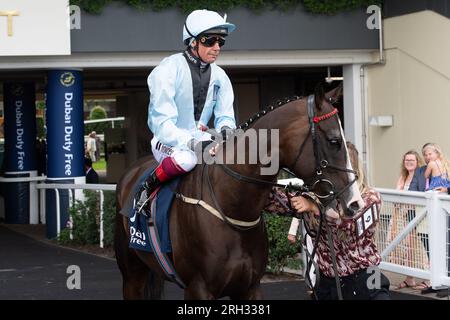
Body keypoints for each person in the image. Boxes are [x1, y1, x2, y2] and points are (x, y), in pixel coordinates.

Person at [270, 141, 390, 300]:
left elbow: (350, 227)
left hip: (367, 275)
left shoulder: (370, 197)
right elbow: (277, 202)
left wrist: (315, 208)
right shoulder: (316, 198)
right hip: (328, 281)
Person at [140, 9, 237, 201]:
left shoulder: (220, 76)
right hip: (167, 142)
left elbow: (226, 117)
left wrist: (225, 132)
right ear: (193, 41)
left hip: (202, 138)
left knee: (239, 158)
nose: (217, 47)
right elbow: (161, 125)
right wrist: (193, 143)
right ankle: (147, 189)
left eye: (221, 41)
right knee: (187, 159)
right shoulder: (167, 69)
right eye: (210, 41)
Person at [387, 150, 429, 290]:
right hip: (402, 216)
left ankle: (427, 278)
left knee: (419, 248)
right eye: (406, 160)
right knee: (407, 248)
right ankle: (409, 278)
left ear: (418, 162)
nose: (409, 162)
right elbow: (397, 195)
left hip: (416, 216)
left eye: (412, 160)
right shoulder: (402, 177)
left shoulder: (422, 176)